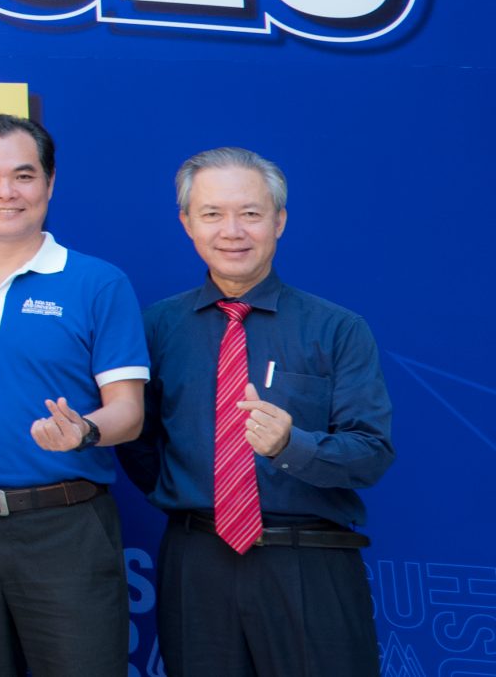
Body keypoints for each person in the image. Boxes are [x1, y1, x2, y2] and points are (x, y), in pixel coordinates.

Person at [118, 148, 393, 677]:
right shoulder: (156, 328)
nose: (232, 231)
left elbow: (371, 453)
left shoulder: (337, 329)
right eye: (212, 214)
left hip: (309, 561)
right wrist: (191, 494)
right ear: (187, 223)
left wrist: (292, 446)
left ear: (279, 221)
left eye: (250, 213)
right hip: (197, 562)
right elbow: (139, 441)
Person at [0, 115, 149, 677]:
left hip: (66, 526)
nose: (5, 192)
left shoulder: (97, 282)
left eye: (23, 175)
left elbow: (129, 413)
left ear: (50, 183)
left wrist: (84, 430)